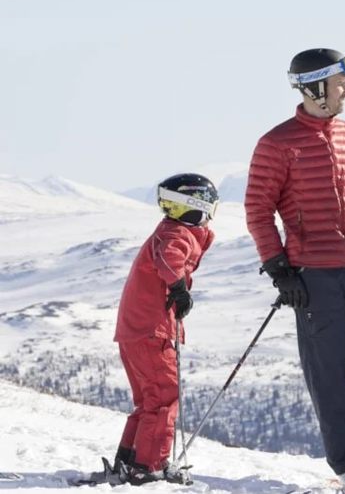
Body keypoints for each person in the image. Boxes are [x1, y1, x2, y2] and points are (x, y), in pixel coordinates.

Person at [244, 48, 345, 494]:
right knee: (329, 376)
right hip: (313, 278)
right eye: (341, 85)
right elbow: (258, 210)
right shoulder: (277, 143)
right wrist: (280, 269)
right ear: (315, 87)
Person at [112, 173, 218, 485]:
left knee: (148, 402)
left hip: (137, 329)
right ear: (196, 204)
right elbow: (170, 258)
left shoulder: (170, 231)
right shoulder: (177, 234)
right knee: (162, 398)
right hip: (150, 331)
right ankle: (148, 467)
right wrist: (179, 288)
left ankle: (130, 459)